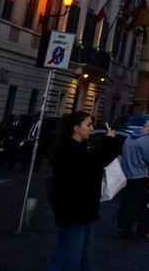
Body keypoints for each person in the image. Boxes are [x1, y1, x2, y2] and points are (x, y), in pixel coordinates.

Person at [47, 113, 121, 270]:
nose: (92, 129)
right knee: (70, 256)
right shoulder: (69, 149)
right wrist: (109, 142)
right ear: (76, 128)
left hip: (85, 210)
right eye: (88, 125)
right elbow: (97, 161)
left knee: (82, 256)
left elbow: (97, 160)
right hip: (74, 211)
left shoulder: (82, 147)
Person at [117, 119, 149, 240]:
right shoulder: (146, 139)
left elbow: (123, 154)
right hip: (139, 176)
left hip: (127, 175)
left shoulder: (129, 138)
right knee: (135, 204)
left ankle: (121, 226)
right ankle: (128, 230)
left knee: (125, 202)